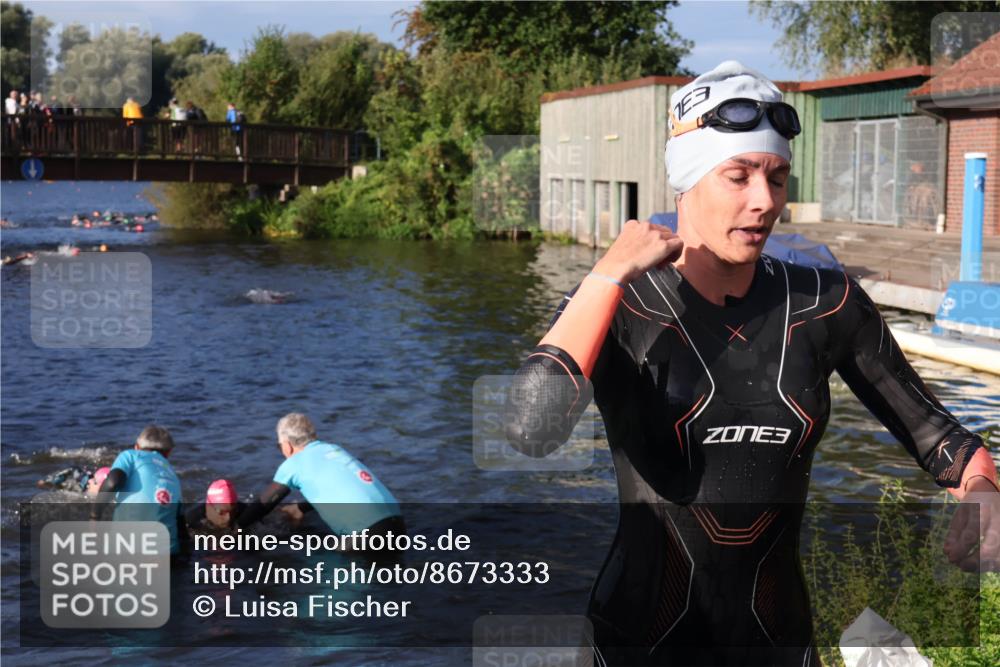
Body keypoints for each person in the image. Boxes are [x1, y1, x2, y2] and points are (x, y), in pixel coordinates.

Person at [504, 60, 999, 666]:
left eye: (778, 177)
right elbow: (529, 430)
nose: (765, 202)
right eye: (738, 176)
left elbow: (940, 438)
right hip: (636, 643)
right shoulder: (620, 301)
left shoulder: (826, 302)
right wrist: (605, 274)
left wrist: (982, 489)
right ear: (686, 184)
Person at [237, 413, 403, 540]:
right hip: (398, 525)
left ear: (287, 446)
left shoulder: (293, 464)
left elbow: (262, 506)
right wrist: (300, 508)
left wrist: (234, 528)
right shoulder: (334, 449)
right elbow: (336, 488)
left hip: (365, 533)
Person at [92, 425, 186, 555]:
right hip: (169, 556)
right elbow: (180, 525)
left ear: (136, 446)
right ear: (168, 452)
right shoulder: (173, 475)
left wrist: (95, 517)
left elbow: (113, 482)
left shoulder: (130, 455)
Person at [37, 466, 111, 496]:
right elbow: (72, 469)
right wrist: (48, 481)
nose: (90, 481)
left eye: (94, 481)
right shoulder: (82, 485)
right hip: (76, 475)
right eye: (93, 480)